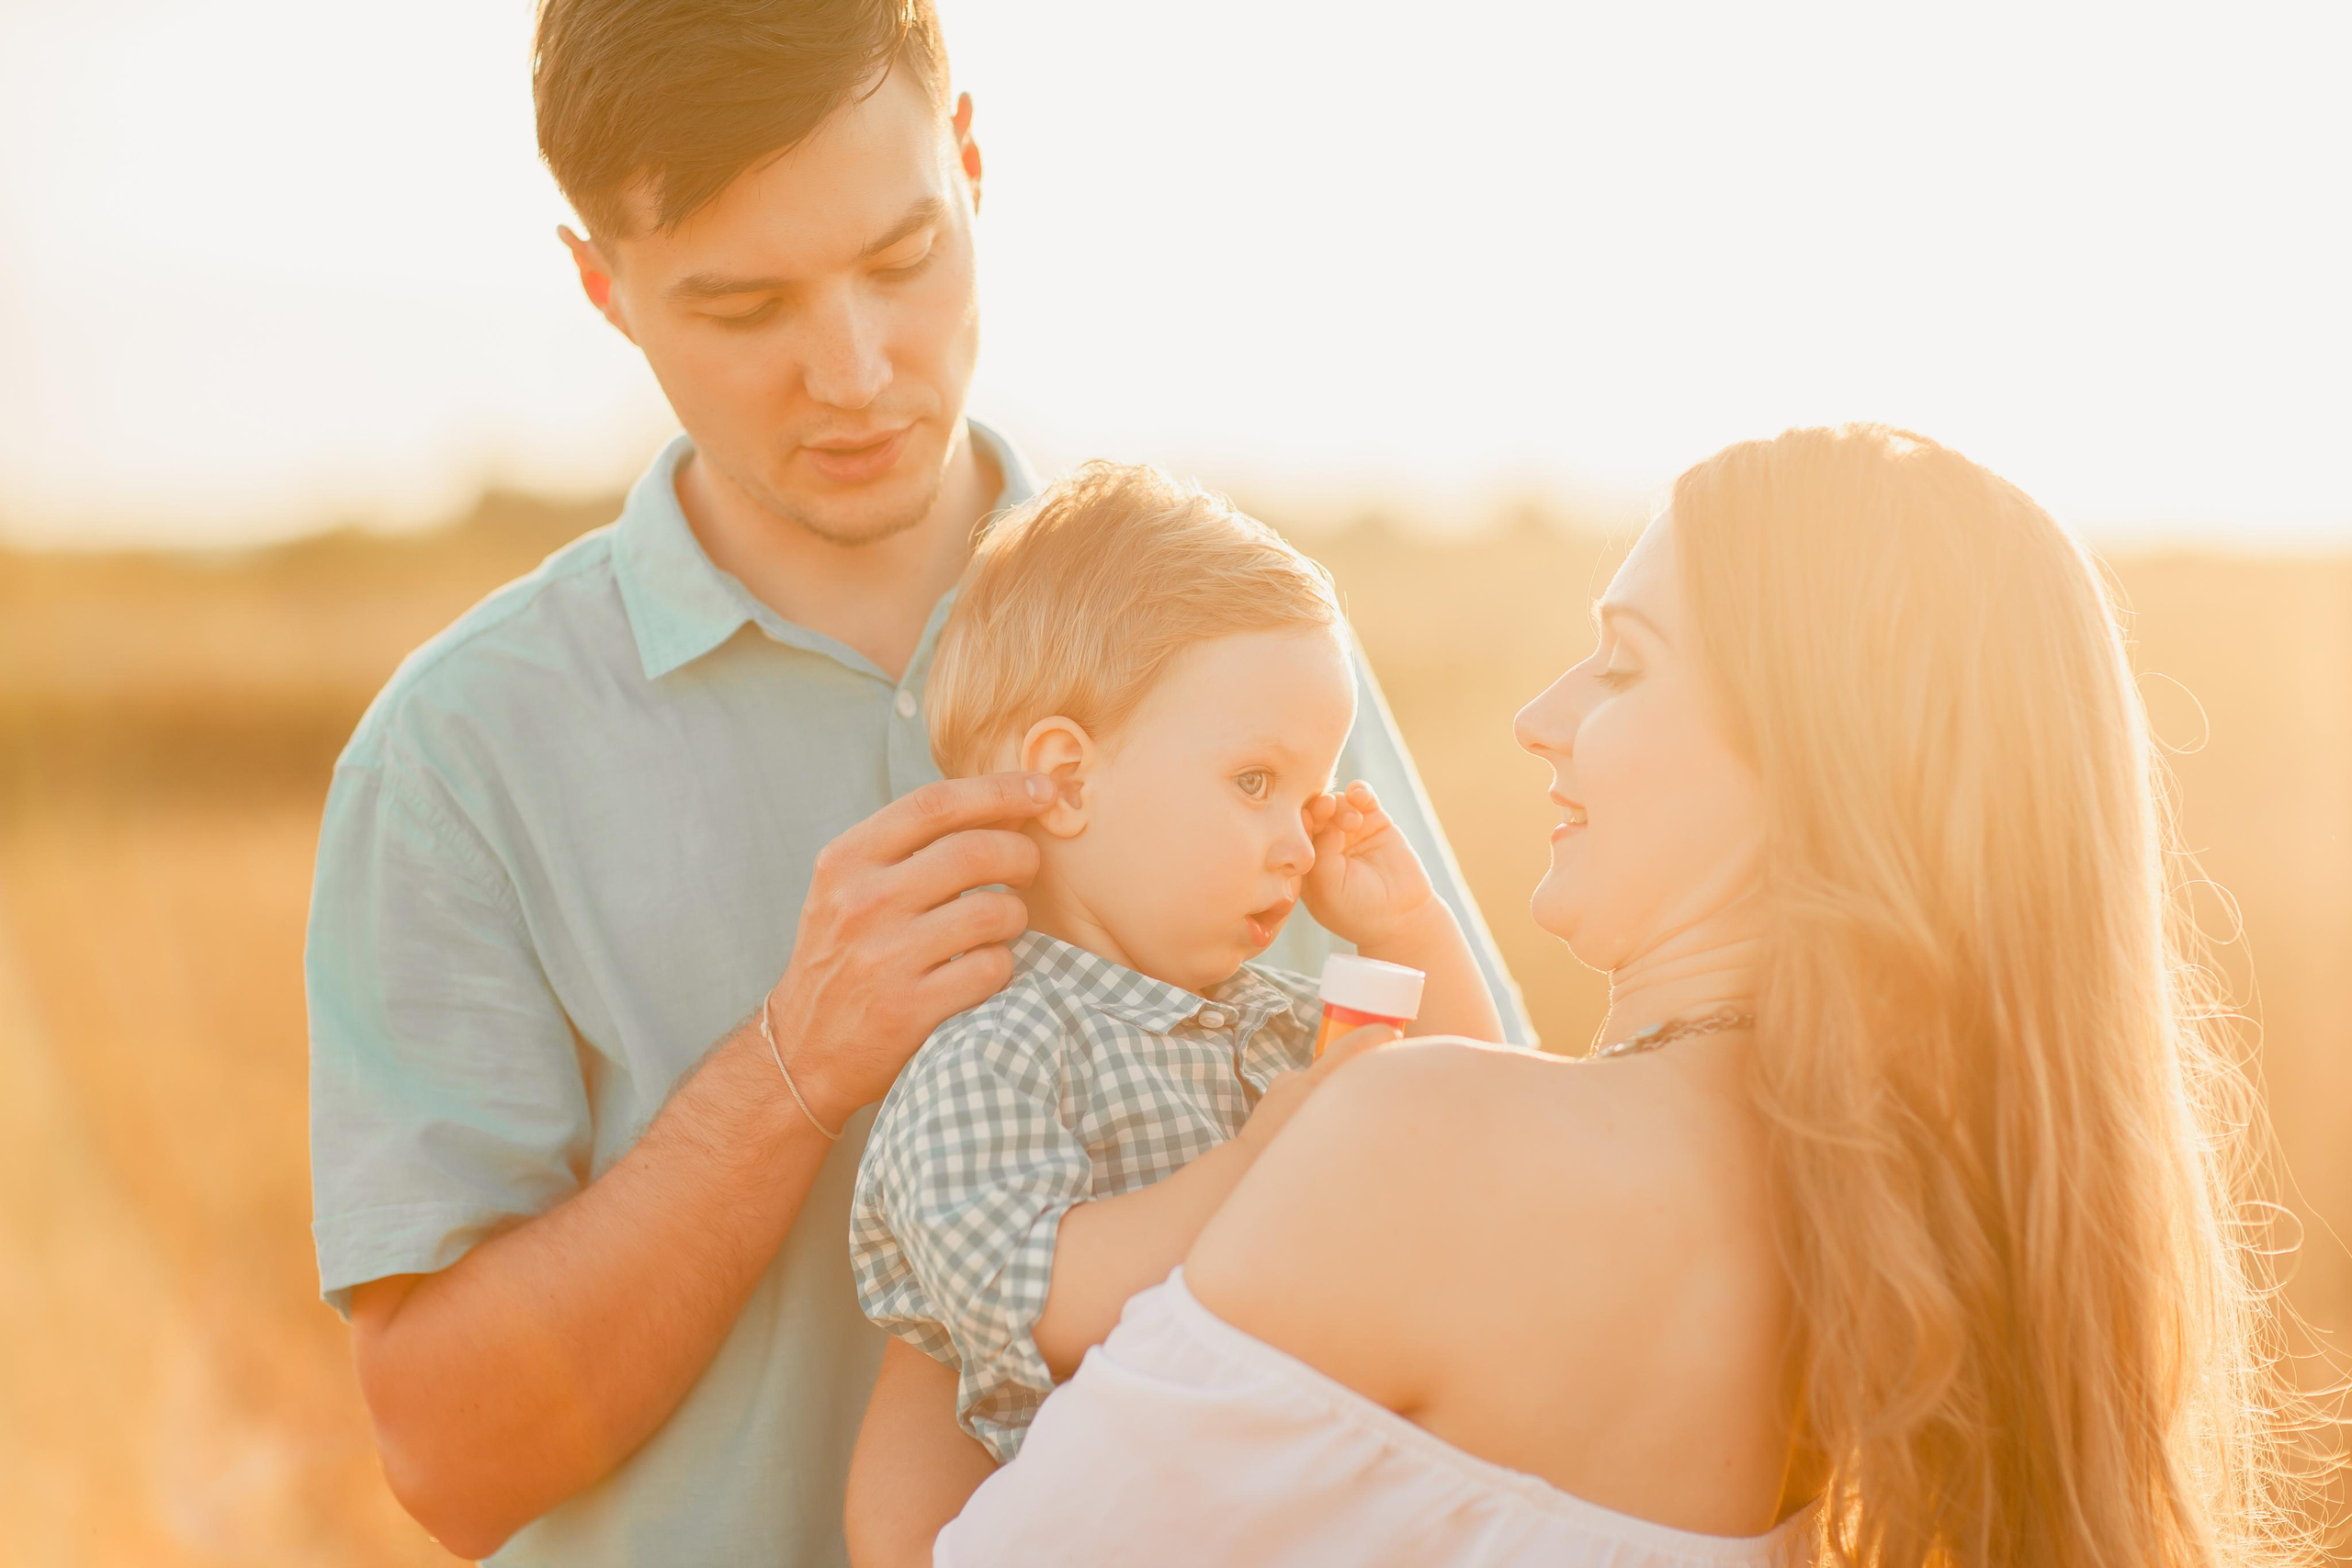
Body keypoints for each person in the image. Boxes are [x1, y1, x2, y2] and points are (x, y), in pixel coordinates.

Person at [301, 5, 1527, 1565]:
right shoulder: (460, 757)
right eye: (744, 304)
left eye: (903, 259)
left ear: (967, 163)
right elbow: (448, 1460)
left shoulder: (1240, 639)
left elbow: (1498, 1188)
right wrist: (792, 1067)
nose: (858, 368)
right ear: (602, 286)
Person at [848, 425, 2317, 1568]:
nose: (1539, 717)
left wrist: (930, 1315)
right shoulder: (1911, 1236)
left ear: (1810, 767)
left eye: (1622, 665)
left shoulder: (1426, 1141)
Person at [849, 461, 1506, 1462]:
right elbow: (1042, 1297)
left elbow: (1480, 1118)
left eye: (1310, 794)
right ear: (1067, 778)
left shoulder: (1278, 1024)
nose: (1298, 840)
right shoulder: (991, 1051)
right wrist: (1255, 1168)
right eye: (1255, 781)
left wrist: (1407, 932)